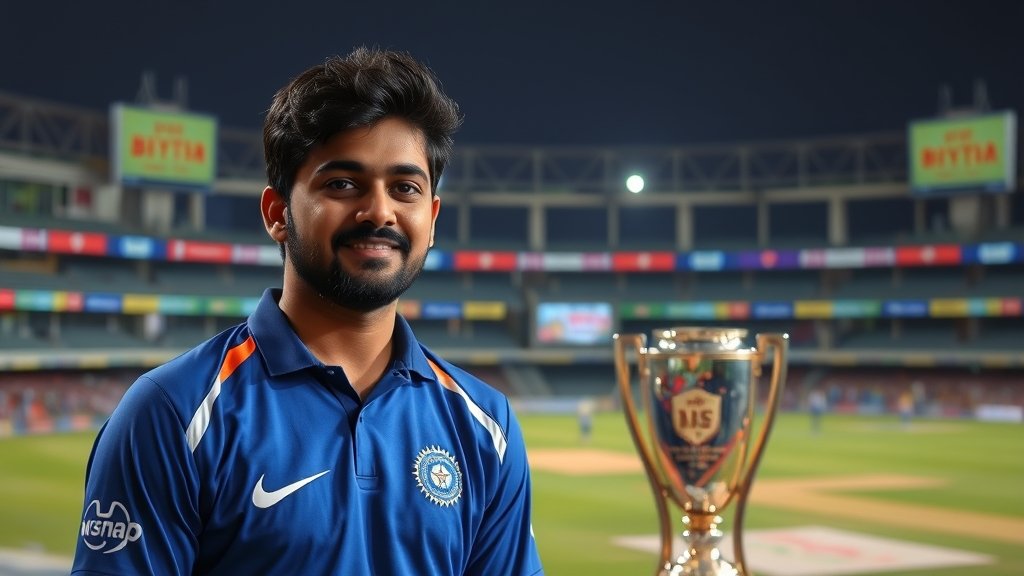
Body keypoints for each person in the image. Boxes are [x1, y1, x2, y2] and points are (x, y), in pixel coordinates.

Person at [72, 47, 544, 576]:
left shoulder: (486, 426)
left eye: (405, 188)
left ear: (431, 219)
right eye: (342, 184)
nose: (379, 211)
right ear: (277, 213)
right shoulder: (172, 412)